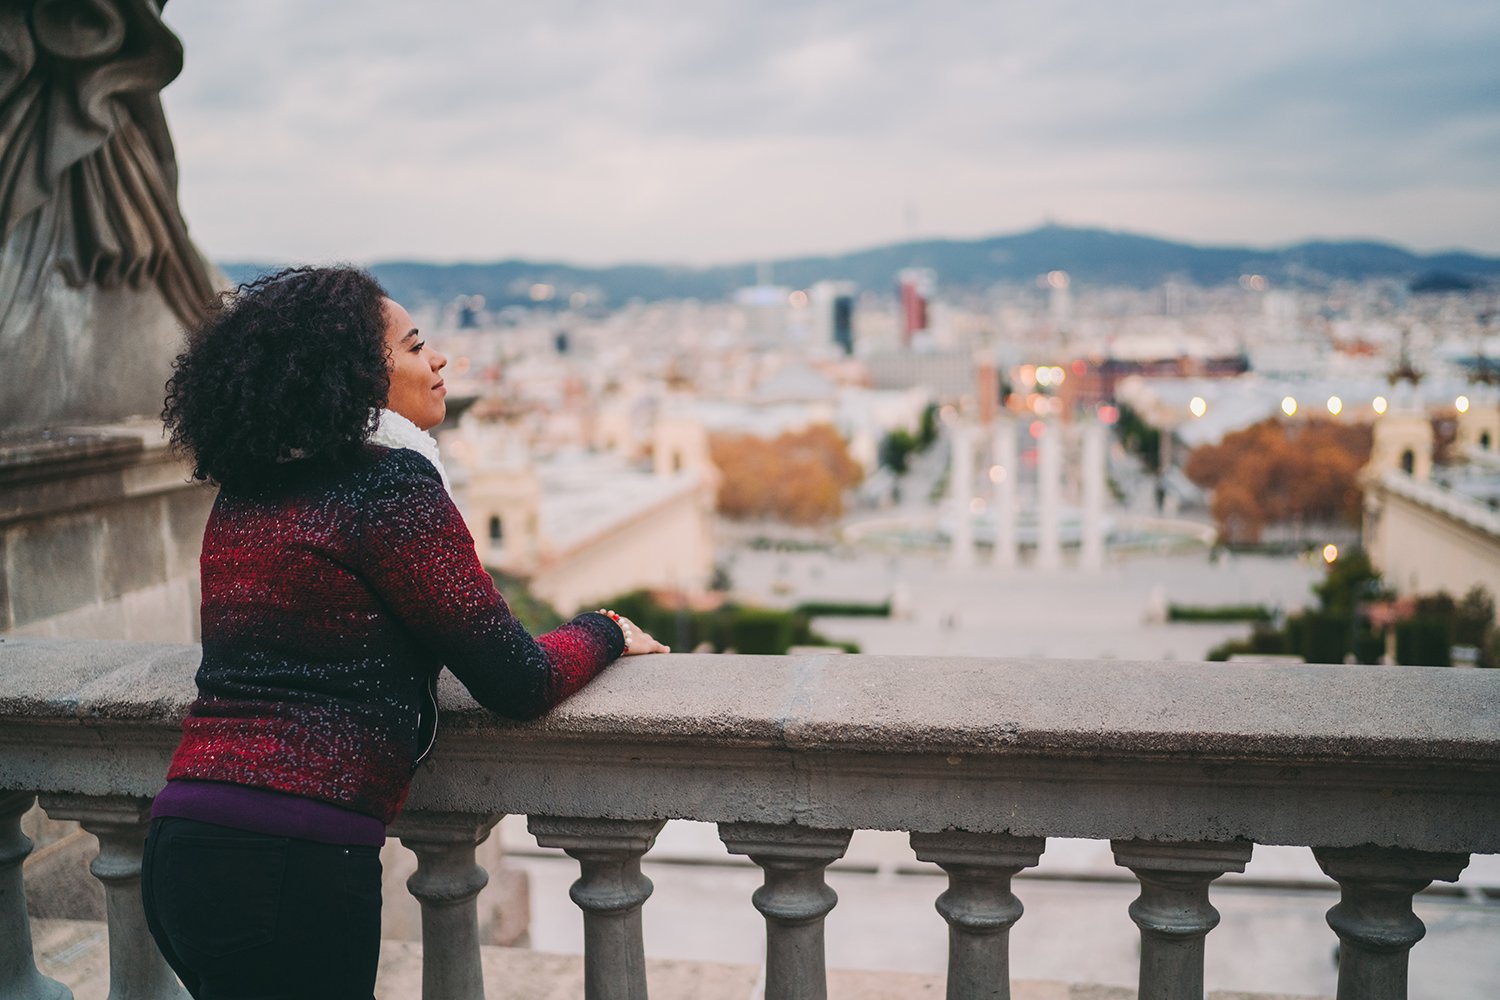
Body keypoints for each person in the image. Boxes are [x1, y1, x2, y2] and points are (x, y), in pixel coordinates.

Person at [141, 265, 667, 999]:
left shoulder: (247, 486)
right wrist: (605, 631)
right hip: (292, 860)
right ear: (357, 373)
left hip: (181, 843)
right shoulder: (391, 487)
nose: (439, 359)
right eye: (416, 346)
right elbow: (516, 679)